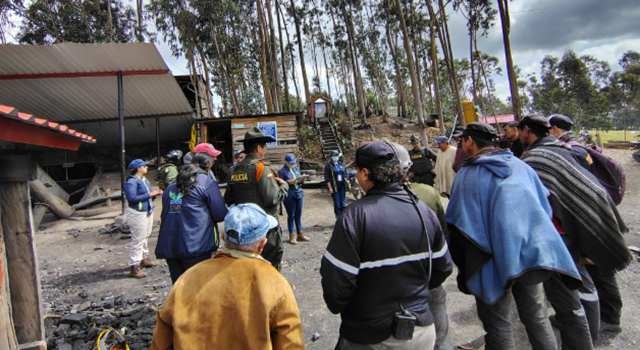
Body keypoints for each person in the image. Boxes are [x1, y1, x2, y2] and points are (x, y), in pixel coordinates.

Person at [446, 123, 582, 350]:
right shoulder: (522, 166)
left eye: (463, 141)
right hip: (529, 256)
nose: (461, 145)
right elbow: (545, 208)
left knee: (499, 324)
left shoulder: (467, 175)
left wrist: (465, 269)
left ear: (470, 141)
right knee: (537, 319)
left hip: (491, 263)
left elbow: (458, 226)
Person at [321, 141, 453, 350]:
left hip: (369, 335)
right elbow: (443, 267)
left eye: (357, 171)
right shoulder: (422, 210)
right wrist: (414, 296)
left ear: (365, 173)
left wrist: (357, 309)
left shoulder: (353, 217)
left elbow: (335, 286)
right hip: (420, 333)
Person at [519, 116, 631, 348]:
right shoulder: (567, 148)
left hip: (572, 226)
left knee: (590, 277)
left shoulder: (536, 157)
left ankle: (600, 325)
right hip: (590, 215)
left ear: (528, 131)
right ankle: (595, 326)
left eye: (519, 130)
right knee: (590, 278)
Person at [151, 203, 304, 350]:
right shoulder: (275, 283)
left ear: (223, 236)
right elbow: (291, 343)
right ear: (261, 244)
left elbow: (161, 340)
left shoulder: (188, 278)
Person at [394, 142, 452, 350]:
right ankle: (442, 345)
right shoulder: (429, 193)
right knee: (437, 304)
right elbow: (444, 230)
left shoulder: (382, 199)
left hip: (403, 270)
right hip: (430, 262)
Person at [225, 127, 289, 270]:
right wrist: (284, 187)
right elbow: (272, 199)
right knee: (270, 269)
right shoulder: (261, 168)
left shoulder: (234, 170)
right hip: (266, 231)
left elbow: (228, 199)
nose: (264, 150)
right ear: (259, 147)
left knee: (247, 269)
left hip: (243, 231)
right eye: (264, 147)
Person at [156, 159, 228, 284]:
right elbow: (220, 214)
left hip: (171, 248)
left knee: (179, 289)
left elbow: (175, 212)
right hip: (196, 248)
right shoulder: (206, 183)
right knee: (198, 289)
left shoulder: (171, 188)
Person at [124, 159, 162, 278]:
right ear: (138, 168)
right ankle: (134, 266)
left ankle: (144, 259)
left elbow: (148, 195)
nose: (146, 167)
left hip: (147, 211)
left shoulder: (144, 180)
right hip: (137, 213)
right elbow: (132, 198)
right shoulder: (132, 182)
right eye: (143, 165)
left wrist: (154, 194)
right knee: (138, 239)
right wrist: (150, 195)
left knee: (145, 235)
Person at [278, 154, 309, 244]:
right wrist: (291, 181)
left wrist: (302, 178)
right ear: (286, 162)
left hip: (299, 193)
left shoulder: (296, 169)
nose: (293, 164)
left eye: (294, 162)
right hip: (289, 195)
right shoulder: (282, 171)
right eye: (291, 163)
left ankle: (300, 234)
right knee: (291, 216)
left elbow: (300, 181)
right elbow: (283, 183)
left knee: (298, 215)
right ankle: (292, 235)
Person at [324, 150, 348, 218]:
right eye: (334, 156)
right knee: (337, 204)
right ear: (331, 157)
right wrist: (330, 188)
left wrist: (347, 181)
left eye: (337, 156)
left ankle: (343, 218)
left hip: (342, 187)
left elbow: (345, 173)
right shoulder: (328, 166)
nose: (336, 157)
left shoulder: (341, 164)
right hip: (334, 187)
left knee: (343, 203)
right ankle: (338, 218)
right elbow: (327, 178)